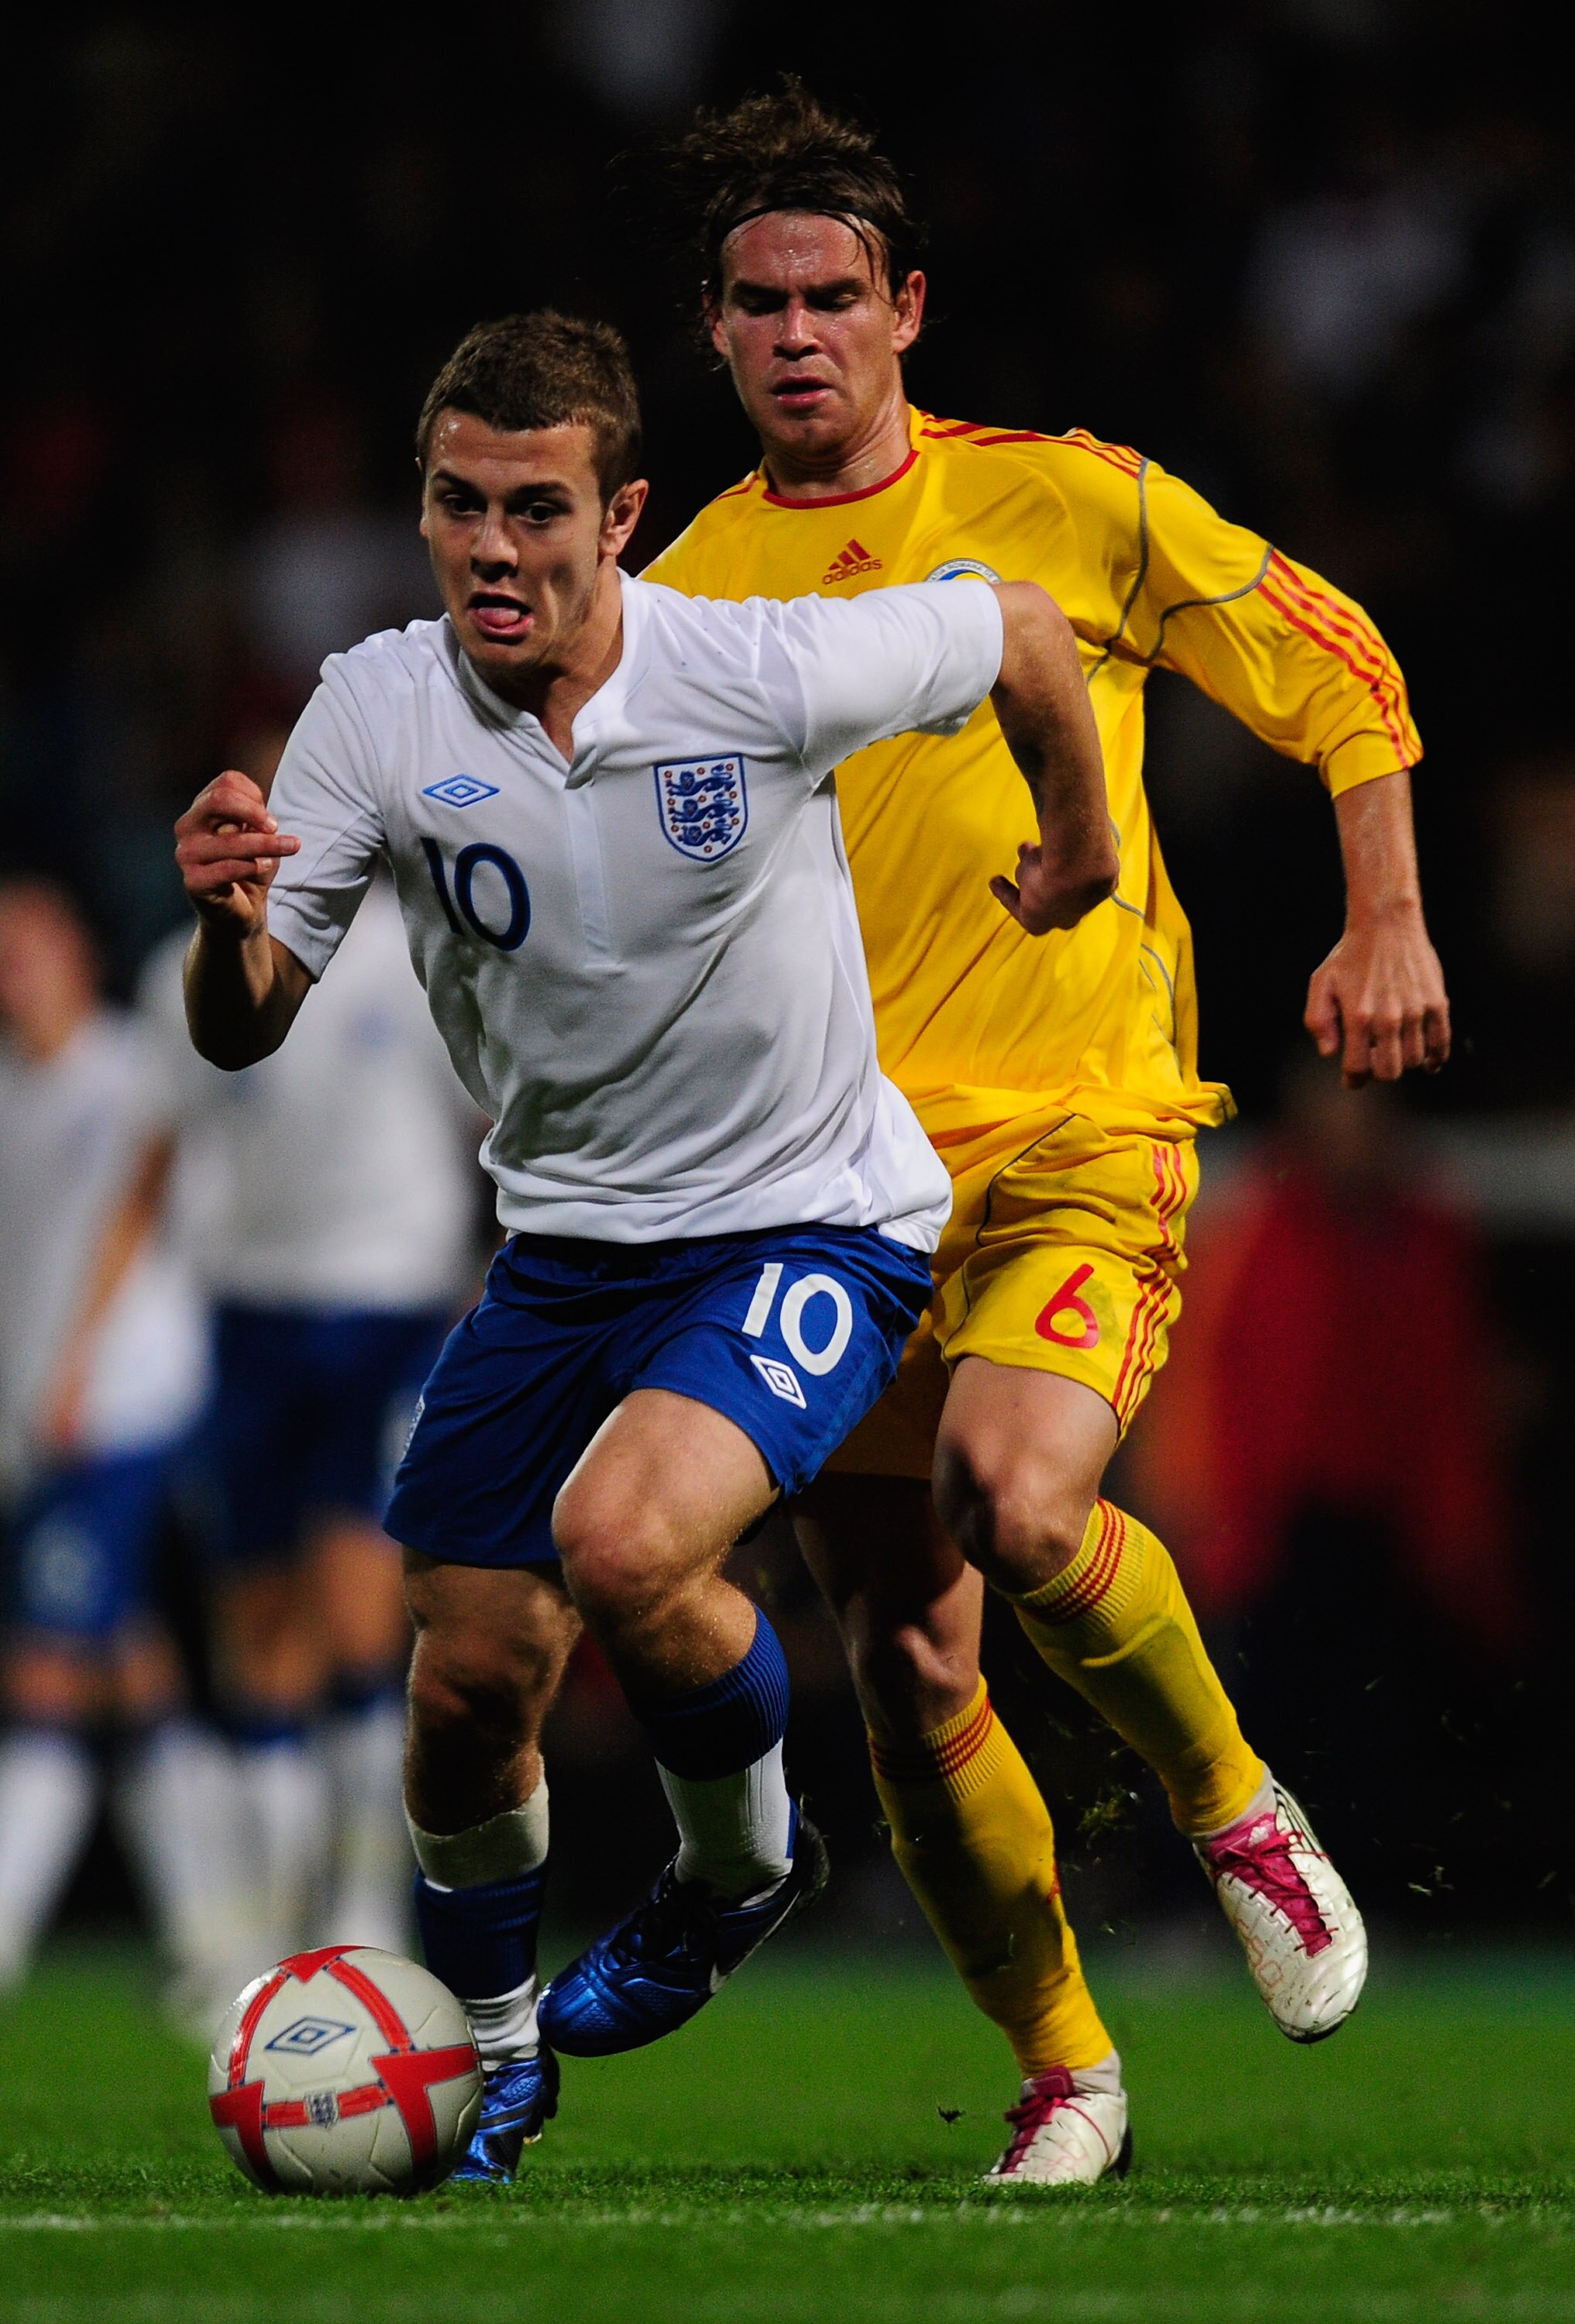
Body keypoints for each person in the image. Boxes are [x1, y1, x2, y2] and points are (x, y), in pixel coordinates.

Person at [170, 312, 1118, 2184]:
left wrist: (1076, 842)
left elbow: (1015, 625)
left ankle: (735, 1867)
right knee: (461, 1684)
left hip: (806, 1217)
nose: (493, 550)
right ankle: (498, 2050)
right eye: (457, 506)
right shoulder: (373, 709)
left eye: (536, 510)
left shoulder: (753, 667)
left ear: (624, 517)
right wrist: (226, 919)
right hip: (564, 1246)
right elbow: (246, 1022)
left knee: (622, 1546)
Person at [643, 81, 1450, 2185]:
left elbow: (1335, 663)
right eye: (758, 301)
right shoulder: (681, 598)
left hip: (1084, 1128)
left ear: (906, 308)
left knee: (1020, 1501)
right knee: (910, 1654)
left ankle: (1228, 1798)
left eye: (834, 294)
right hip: (824, 1191)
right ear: (711, 330)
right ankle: (1067, 2071)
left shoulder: (1069, 503)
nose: (799, 333)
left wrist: (1382, 913)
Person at [136, 860, 485, 1972]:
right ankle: (270, 1926)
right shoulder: (177, 975)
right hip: (247, 1313)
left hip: (385, 1306)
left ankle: (363, 1913)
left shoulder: (415, 950)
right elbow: (167, 1150)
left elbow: (487, 1110)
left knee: (359, 1621)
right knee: (258, 1632)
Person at [0, 881, 232, 2013]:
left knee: (45, 1661)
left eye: (28, 948)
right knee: (131, 1668)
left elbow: (157, 1200)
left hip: (127, 1406)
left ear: (79, 957)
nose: (12, 970)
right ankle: (214, 1932)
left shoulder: (124, 1068)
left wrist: (84, 1364)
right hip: (43, 1423)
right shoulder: (11, 1096)